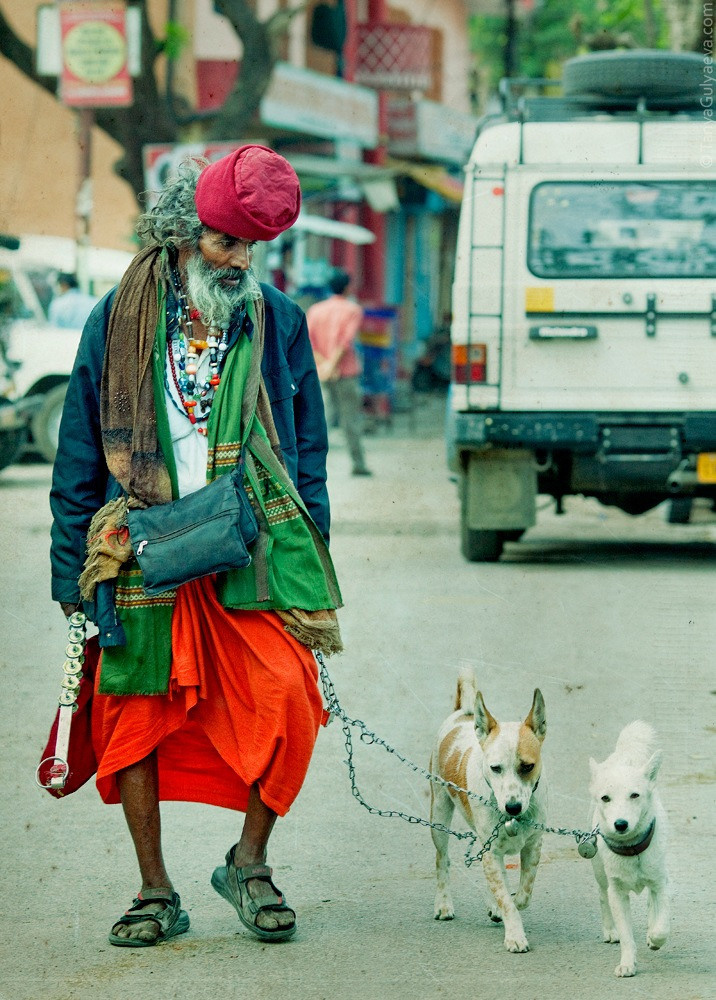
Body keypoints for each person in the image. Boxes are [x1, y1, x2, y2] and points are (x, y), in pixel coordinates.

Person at [49, 145, 343, 948]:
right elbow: (78, 452)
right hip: (138, 546)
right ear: (183, 233)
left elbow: (307, 451)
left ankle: (249, 862)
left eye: (254, 246)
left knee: (289, 699)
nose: (241, 260)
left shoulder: (277, 319)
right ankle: (154, 890)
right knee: (132, 718)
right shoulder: (116, 316)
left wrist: (310, 551)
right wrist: (71, 575)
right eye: (226, 242)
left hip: (247, 543)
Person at [306, 268, 371, 476]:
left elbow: (309, 341)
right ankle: (358, 464)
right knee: (350, 420)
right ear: (347, 287)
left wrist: (325, 365)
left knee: (321, 420)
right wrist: (333, 365)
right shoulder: (353, 310)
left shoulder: (316, 310)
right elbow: (345, 342)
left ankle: (313, 467)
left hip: (321, 372)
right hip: (346, 372)